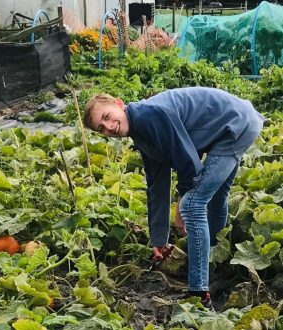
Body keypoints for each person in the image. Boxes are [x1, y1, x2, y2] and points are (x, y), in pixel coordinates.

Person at [84, 87, 264, 307]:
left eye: (107, 117)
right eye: (101, 128)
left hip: (234, 125)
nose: (109, 127)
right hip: (237, 122)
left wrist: (180, 211)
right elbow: (157, 183)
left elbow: (189, 167)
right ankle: (216, 258)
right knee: (215, 196)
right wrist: (158, 239)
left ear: (119, 104)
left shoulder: (148, 116)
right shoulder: (140, 129)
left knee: (192, 205)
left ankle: (199, 292)